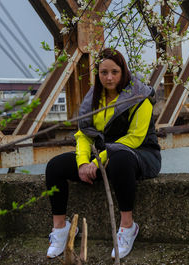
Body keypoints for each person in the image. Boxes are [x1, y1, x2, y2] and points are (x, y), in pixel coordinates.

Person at [45, 48, 161, 259]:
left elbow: (134, 138)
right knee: (55, 166)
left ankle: (128, 227)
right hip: (101, 156)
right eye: (104, 72)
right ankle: (60, 228)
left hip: (139, 154)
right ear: (97, 74)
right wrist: (82, 163)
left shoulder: (139, 97)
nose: (109, 77)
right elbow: (84, 134)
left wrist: (97, 162)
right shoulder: (93, 99)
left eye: (114, 72)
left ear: (123, 71)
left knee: (120, 159)